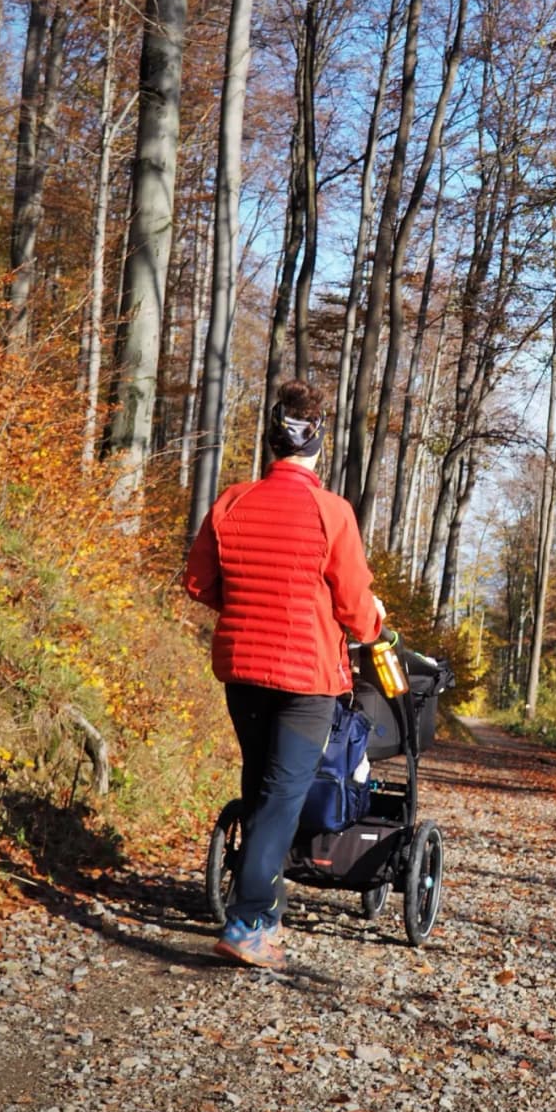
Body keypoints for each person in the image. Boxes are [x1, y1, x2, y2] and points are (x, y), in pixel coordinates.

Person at [184, 379, 383, 970]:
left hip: (241, 668)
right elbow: (355, 608)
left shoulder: (231, 502)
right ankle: (247, 922)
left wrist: (250, 605)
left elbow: (198, 583)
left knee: (260, 783)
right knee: (280, 794)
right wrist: (374, 622)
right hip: (305, 680)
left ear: (271, 441)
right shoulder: (332, 513)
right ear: (317, 441)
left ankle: (263, 911)